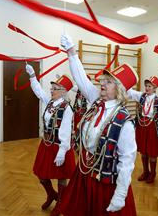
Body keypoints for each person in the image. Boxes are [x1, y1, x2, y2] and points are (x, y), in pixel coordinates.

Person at [59, 33, 138, 216]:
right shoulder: (96, 100)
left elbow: (127, 161)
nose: (102, 84)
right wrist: (71, 52)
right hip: (83, 173)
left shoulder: (124, 122)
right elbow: (81, 79)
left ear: (119, 89)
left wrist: (120, 195)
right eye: (103, 80)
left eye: (109, 82)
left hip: (105, 182)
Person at [25, 64, 76, 216]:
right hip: (46, 144)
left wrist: (62, 152)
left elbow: (66, 132)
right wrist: (33, 76)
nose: (51, 90)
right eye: (52, 88)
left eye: (55, 88)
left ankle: (61, 203)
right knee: (41, 174)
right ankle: (51, 194)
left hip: (60, 147)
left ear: (63, 91)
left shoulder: (67, 108)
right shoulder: (50, 102)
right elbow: (39, 91)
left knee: (61, 177)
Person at [127, 75, 158, 183]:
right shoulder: (141, 96)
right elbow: (130, 92)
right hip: (142, 127)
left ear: (155, 88)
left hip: (152, 128)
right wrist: (125, 79)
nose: (147, 88)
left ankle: (153, 173)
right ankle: (146, 171)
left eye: (150, 86)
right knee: (143, 152)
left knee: (152, 153)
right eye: (146, 86)